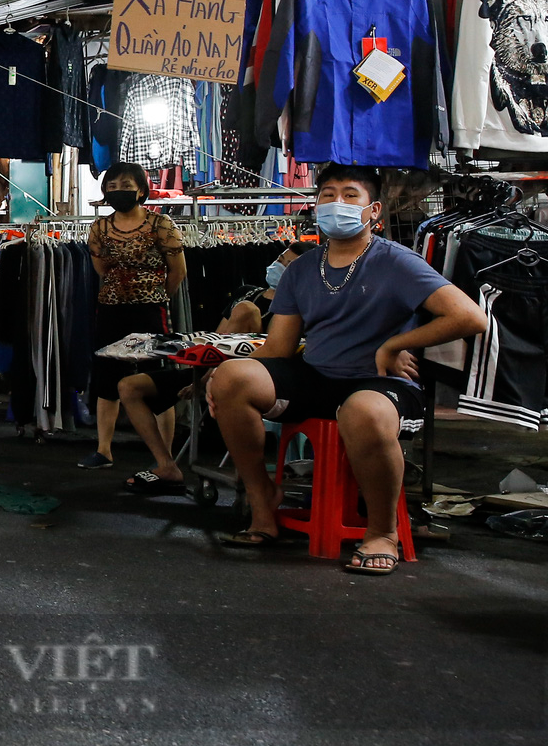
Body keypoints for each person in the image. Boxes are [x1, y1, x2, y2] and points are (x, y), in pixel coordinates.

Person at [206, 165, 485, 573]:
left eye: (350, 195)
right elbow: (280, 347)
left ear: (374, 211)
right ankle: (263, 500)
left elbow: (470, 318)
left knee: (363, 411)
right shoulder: (301, 269)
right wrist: (221, 372)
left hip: (382, 385)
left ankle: (382, 531)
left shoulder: (397, 262)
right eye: (327, 194)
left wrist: (395, 344)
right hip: (317, 378)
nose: (337, 203)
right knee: (233, 379)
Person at [78, 164, 192, 481]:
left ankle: (164, 455)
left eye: (125, 184)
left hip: (151, 310)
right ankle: (103, 450)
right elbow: (101, 268)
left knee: (156, 382)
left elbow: (177, 272)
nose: (118, 190)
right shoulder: (100, 228)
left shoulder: (161, 224)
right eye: (111, 185)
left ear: (141, 189)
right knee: (107, 380)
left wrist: (155, 294)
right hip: (112, 309)